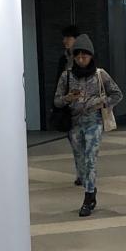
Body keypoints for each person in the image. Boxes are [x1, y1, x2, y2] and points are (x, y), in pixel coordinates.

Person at [53, 34, 122, 217]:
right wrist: (68, 98)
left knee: (91, 158)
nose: (81, 59)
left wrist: (103, 103)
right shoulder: (66, 76)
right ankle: (88, 187)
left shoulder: (100, 74)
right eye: (78, 56)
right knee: (81, 162)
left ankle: (89, 196)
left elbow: (117, 94)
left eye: (85, 56)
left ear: (91, 56)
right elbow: (57, 101)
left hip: (94, 122)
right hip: (74, 124)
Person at [55, 25, 83, 184]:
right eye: (64, 37)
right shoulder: (63, 59)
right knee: (75, 143)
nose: (65, 41)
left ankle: (85, 173)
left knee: (86, 145)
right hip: (69, 107)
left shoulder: (85, 58)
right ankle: (81, 173)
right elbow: (58, 82)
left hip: (86, 108)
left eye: (68, 37)